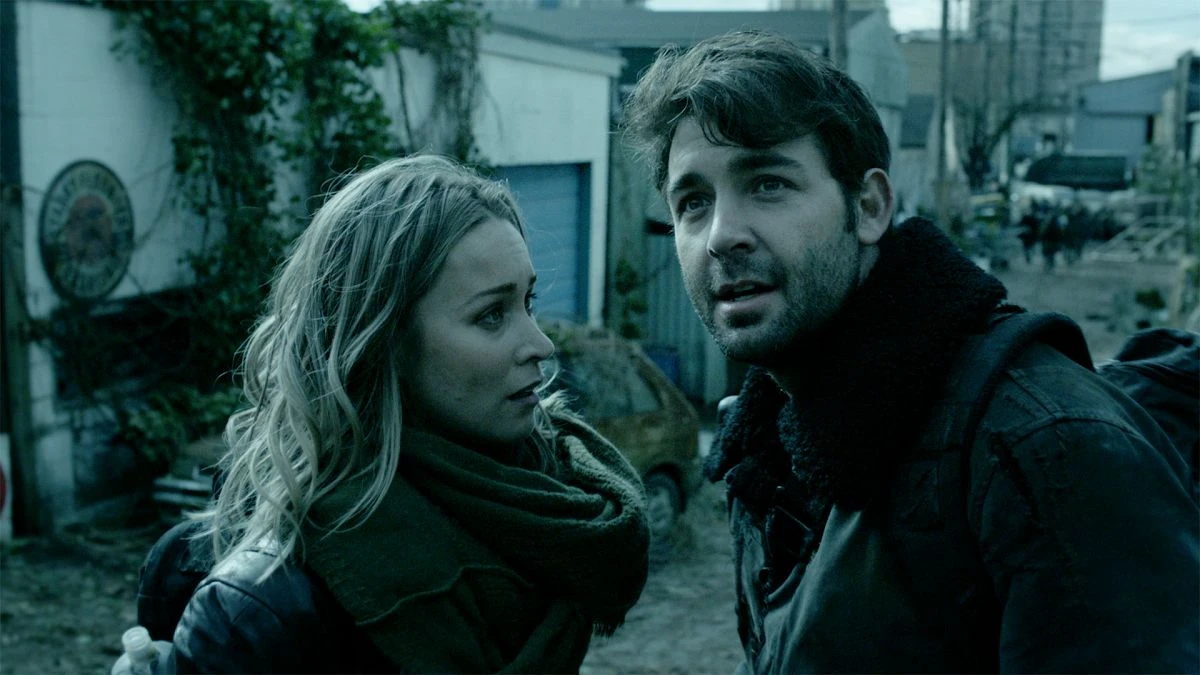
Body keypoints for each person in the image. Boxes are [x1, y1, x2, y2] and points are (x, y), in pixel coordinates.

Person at [622, 29, 1199, 673]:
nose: (721, 235)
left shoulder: (1044, 444)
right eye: (693, 202)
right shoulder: (773, 444)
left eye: (768, 184)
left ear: (869, 207)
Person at [169, 155, 650, 673]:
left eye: (527, 303)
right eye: (492, 314)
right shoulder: (264, 612)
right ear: (383, 343)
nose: (542, 344)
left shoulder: (558, 502)